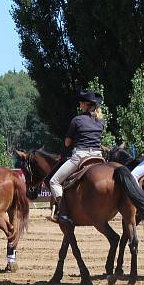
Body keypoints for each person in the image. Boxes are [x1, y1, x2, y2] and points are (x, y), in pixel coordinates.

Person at [48, 91, 105, 223]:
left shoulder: (77, 120)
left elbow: (67, 143)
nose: (79, 104)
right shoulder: (100, 121)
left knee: (54, 181)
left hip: (81, 156)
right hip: (98, 156)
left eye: (81, 102)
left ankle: (63, 211)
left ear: (86, 105)